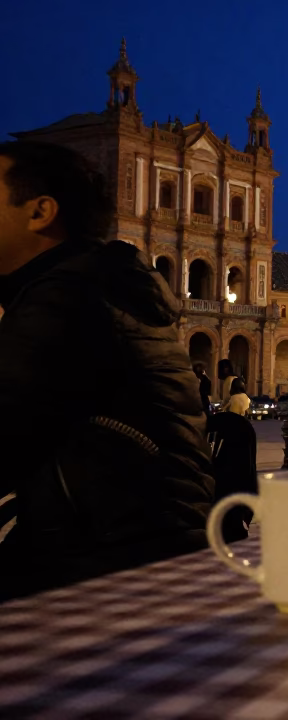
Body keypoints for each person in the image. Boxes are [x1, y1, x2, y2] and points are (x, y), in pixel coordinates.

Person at [0, 141, 214, 599]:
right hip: (140, 547)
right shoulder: (102, 283)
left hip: (107, 566)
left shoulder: (66, 294)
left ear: (40, 212)